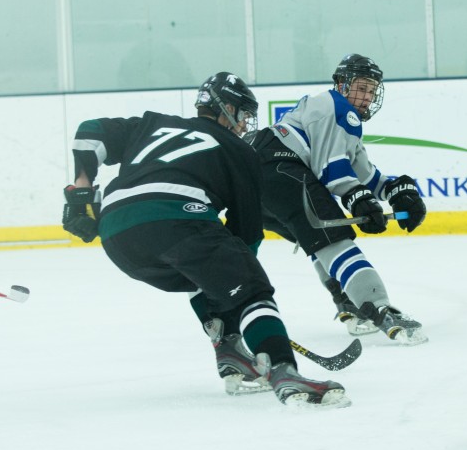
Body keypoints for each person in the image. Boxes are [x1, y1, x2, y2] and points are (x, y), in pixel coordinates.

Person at [60, 71, 349, 408]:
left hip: (116, 233)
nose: (244, 125)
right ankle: (285, 372)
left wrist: (82, 189)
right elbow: (246, 235)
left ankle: (229, 350)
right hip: (175, 217)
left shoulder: (152, 123)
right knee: (249, 286)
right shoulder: (239, 151)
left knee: (206, 273)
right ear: (225, 107)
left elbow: (90, 131)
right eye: (242, 114)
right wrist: (243, 290)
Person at [250, 54, 428, 345]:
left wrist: (396, 191)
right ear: (342, 85)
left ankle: (348, 303)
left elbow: (366, 175)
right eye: (361, 87)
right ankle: (379, 308)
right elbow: (332, 170)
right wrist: (358, 199)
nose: (367, 96)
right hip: (279, 167)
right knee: (333, 237)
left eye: (371, 91)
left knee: (318, 240)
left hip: (259, 181)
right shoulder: (334, 107)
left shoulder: (337, 115)